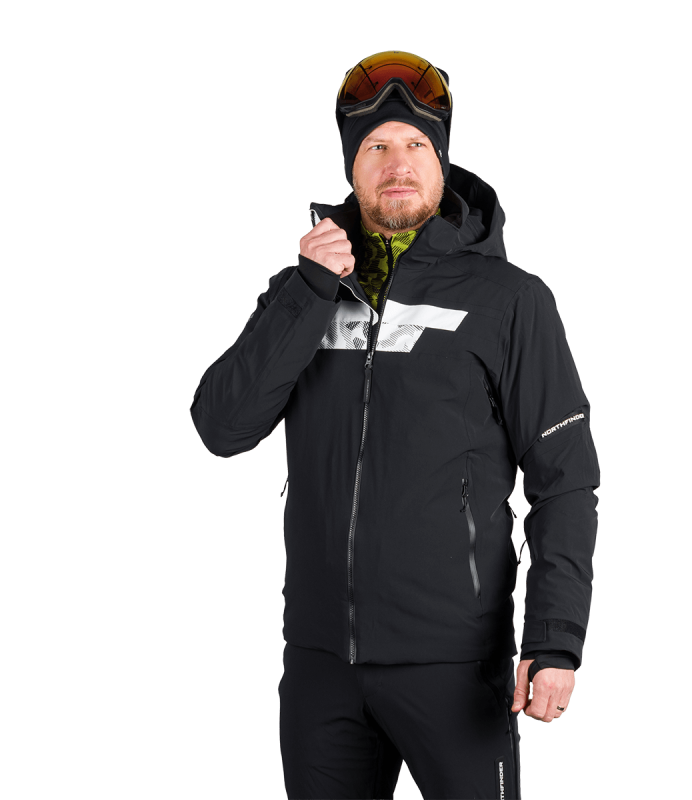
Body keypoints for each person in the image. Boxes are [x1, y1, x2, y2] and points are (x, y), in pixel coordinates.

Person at [189, 50, 600, 800]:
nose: (397, 163)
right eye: (376, 146)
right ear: (352, 166)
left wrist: (554, 641)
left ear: (442, 162)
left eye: (415, 144)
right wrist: (308, 289)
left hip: (456, 666)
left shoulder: (511, 299)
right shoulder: (303, 290)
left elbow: (565, 480)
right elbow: (221, 427)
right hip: (319, 665)